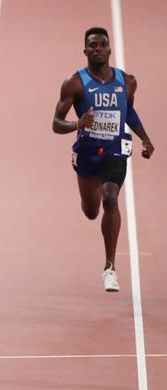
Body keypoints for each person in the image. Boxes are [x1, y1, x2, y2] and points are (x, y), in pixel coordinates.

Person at [52, 27, 154, 292]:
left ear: (109, 50)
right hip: (87, 152)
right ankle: (92, 193)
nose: (97, 48)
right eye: (92, 45)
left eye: (102, 44)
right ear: (85, 51)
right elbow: (55, 123)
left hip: (115, 149)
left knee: (111, 197)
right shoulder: (74, 83)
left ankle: (110, 267)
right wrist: (77, 123)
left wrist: (144, 137)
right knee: (91, 211)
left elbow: (128, 112)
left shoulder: (127, 81)